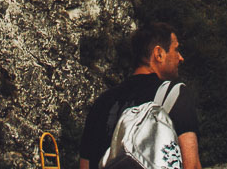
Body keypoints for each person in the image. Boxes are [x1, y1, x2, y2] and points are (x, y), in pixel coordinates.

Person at [79, 22, 201, 169]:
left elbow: (85, 165)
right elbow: (191, 165)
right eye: (176, 50)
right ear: (159, 54)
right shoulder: (174, 94)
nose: (180, 58)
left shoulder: (101, 102)